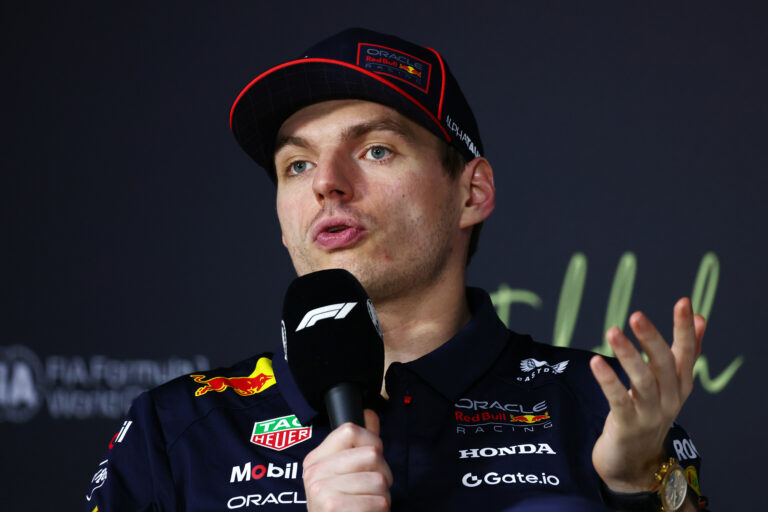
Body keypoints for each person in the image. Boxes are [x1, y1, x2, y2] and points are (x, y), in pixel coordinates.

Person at [84, 28, 710, 511]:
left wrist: (636, 487)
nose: (327, 183)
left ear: (472, 193)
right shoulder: (174, 431)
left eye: (375, 149)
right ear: (281, 219)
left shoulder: (600, 409)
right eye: (296, 166)